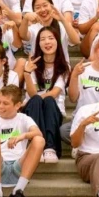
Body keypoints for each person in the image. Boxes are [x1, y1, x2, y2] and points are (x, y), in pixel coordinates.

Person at [22, 26, 70, 163]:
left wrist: (37, 97)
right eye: (43, 39)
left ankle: (49, 148)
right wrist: (26, 73)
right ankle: (38, 146)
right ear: (38, 44)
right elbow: (31, 94)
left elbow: (55, 93)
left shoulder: (64, 66)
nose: (47, 42)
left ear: (57, 41)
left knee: (48, 100)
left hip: (52, 110)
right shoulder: (31, 64)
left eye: (51, 38)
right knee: (37, 100)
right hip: (33, 109)